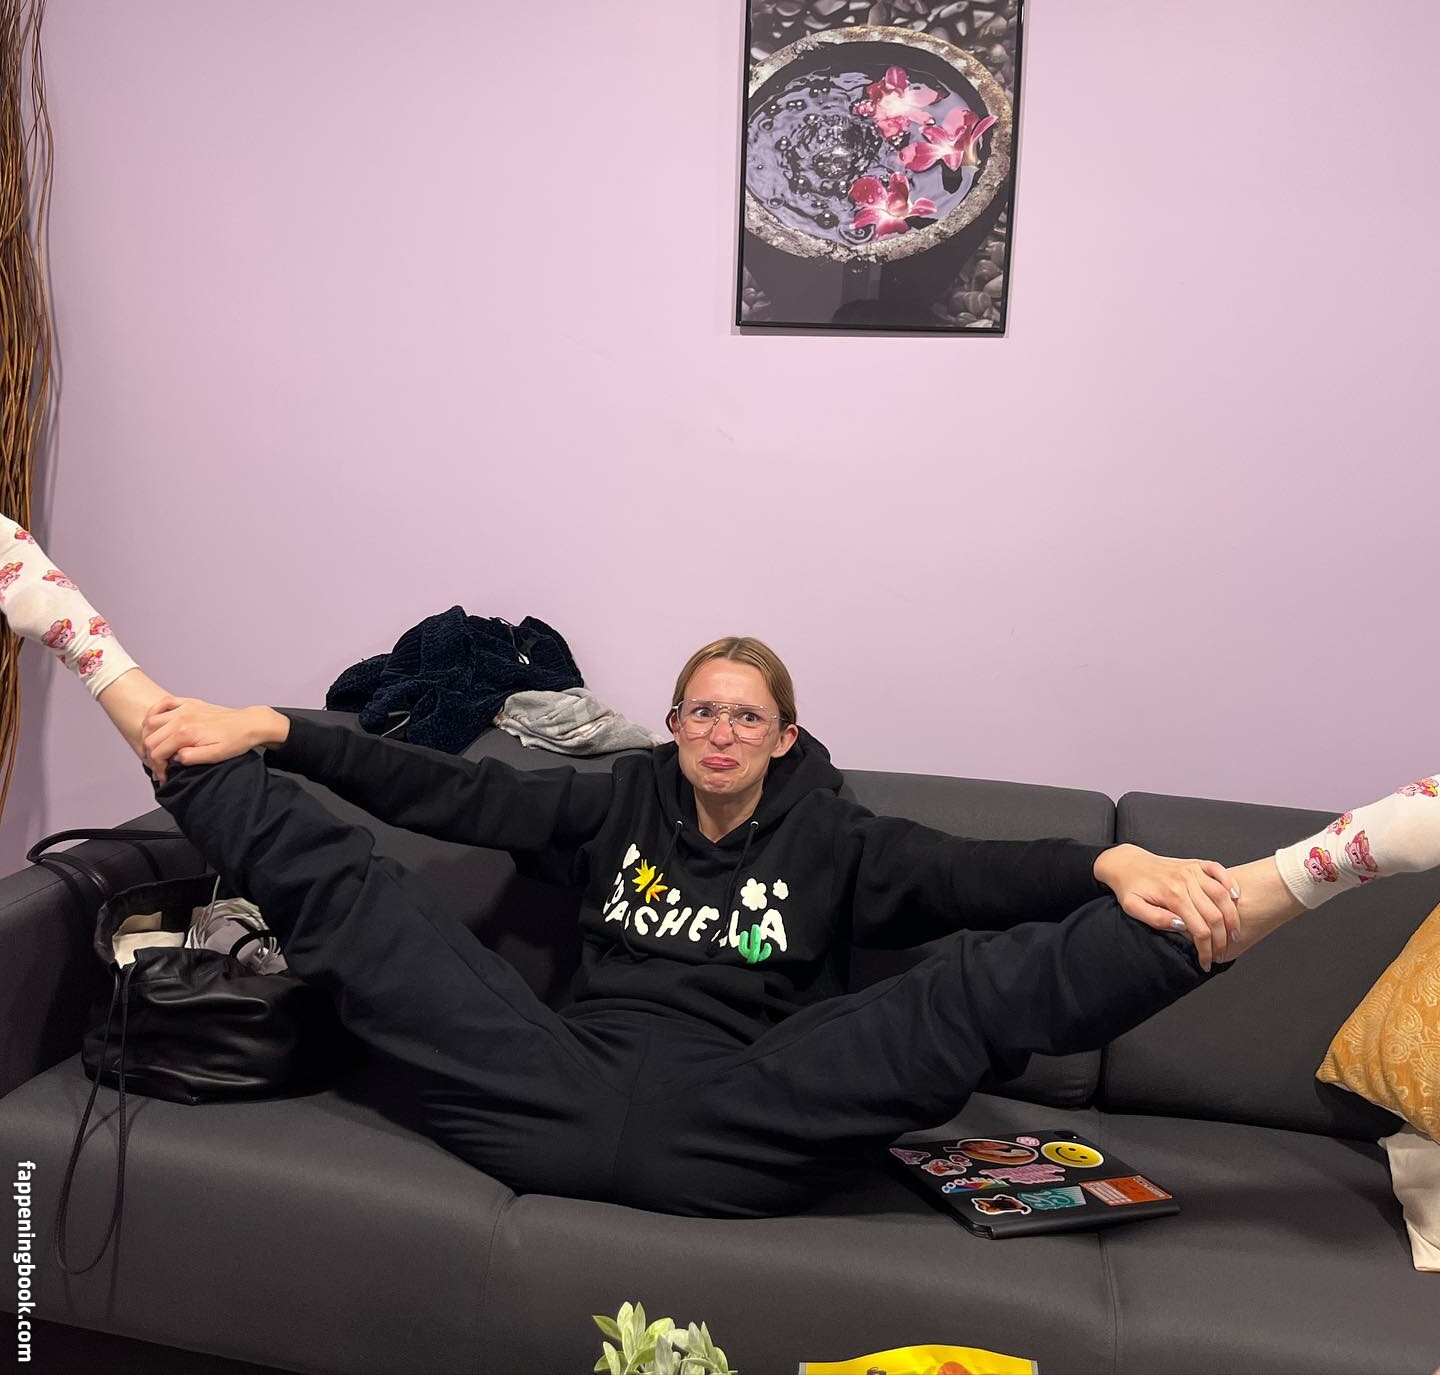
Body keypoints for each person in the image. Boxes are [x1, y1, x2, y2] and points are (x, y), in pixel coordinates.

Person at [3, 513, 1436, 1218]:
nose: (720, 733)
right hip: (545, 1090)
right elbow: (445, 791)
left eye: (747, 716)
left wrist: (1114, 855)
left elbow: (979, 879)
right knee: (361, 903)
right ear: (676, 724)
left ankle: (1309, 874)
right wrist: (280, 728)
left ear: (786, 734)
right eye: (699, 711)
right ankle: (109, 667)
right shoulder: (610, 803)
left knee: (963, 1001)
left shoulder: (843, 840)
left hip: (741, 1121)